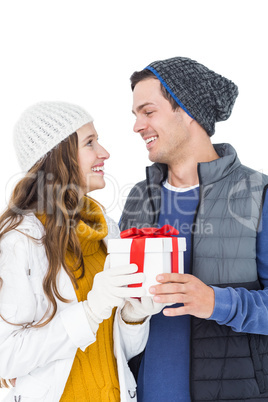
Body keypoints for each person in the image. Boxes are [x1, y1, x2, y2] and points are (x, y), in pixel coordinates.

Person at [119, 57, 268, 401]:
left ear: (186, 110)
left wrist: (216, 301)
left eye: (148, 111)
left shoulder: (257, 194)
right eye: (135, 114)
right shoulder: (139, 198)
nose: (137, 126)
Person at [0, 101, 150, 402]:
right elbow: (7, 357)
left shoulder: (105, 229)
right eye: (90, 143)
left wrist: (135, 316)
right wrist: (91, 311)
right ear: (57, 157)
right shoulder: (20, 241)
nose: (104, 153)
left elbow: (117, 350)